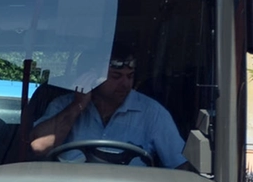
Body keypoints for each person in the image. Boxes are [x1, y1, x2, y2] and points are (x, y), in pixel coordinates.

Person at [29, 50, 188, 169]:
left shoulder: (153, 113)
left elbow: (180, 166)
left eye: (130, 76)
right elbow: (38, 147)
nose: (125, 84)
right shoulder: (63, 105)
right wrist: (77, 106)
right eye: (116, 77)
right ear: (91, 77)